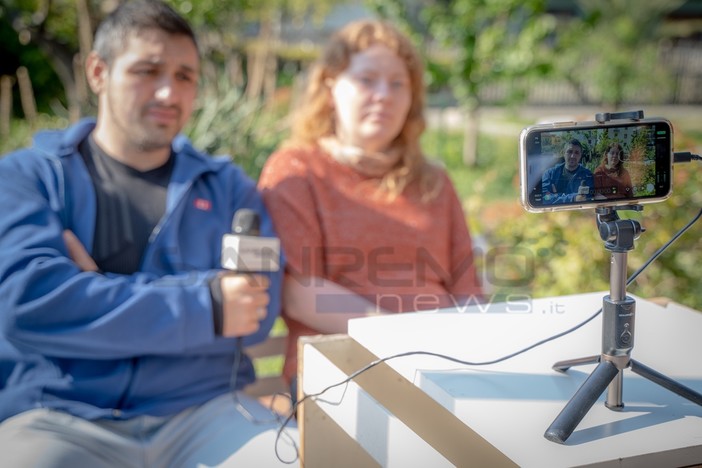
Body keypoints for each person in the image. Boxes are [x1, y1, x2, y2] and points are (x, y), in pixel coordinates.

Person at [0, 1, 297, 466]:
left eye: (185, 76)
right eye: (148, 70)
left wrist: (95, 293)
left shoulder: (229, 190)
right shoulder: (28, 179)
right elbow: (29, 304)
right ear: (98, 72)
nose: (168, 93)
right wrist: (208, 304)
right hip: (59, 417)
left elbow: (254, 311)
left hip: (206, 413)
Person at [257, 19, 483, 401]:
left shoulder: (433, 181)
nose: (384, 95)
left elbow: (466, 288)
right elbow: (297, 292)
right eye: (367, 79)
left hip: (445, 367)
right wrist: (400, 340)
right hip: (340, 373)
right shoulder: (297, 170)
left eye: (398, 83)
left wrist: (476, 354)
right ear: (331, 87)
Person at [541, 138, 594, 204]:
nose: (572, 156)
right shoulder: (549, 174)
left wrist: (556, 195)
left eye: (576, 153)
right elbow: (544, 197)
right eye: (570, 151)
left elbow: (587, 197)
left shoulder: (587, 175)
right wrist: (573, 198)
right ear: (563, 153)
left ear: (580, 155)